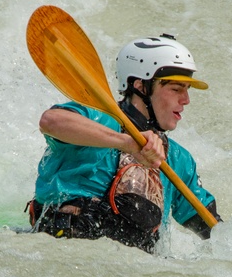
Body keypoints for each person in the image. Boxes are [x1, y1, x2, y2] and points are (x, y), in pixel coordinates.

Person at [26, 34, 221, 253]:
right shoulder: (97, 120)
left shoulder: (178, 159)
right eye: (176, 89)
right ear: (140, 86)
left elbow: (217, 233)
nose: (186, 100)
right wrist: (126, 142)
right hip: (61, 254)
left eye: (187, 90)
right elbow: (51, 121)